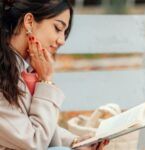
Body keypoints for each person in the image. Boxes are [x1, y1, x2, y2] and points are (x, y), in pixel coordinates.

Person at [0, 0, 109, 150]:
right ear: (29, 22)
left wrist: (75, 142)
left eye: (65, 32)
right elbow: (34, 142)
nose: (62, 40)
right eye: (57, 28)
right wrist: (46, 81)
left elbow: (28, 125)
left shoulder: (20, 68)